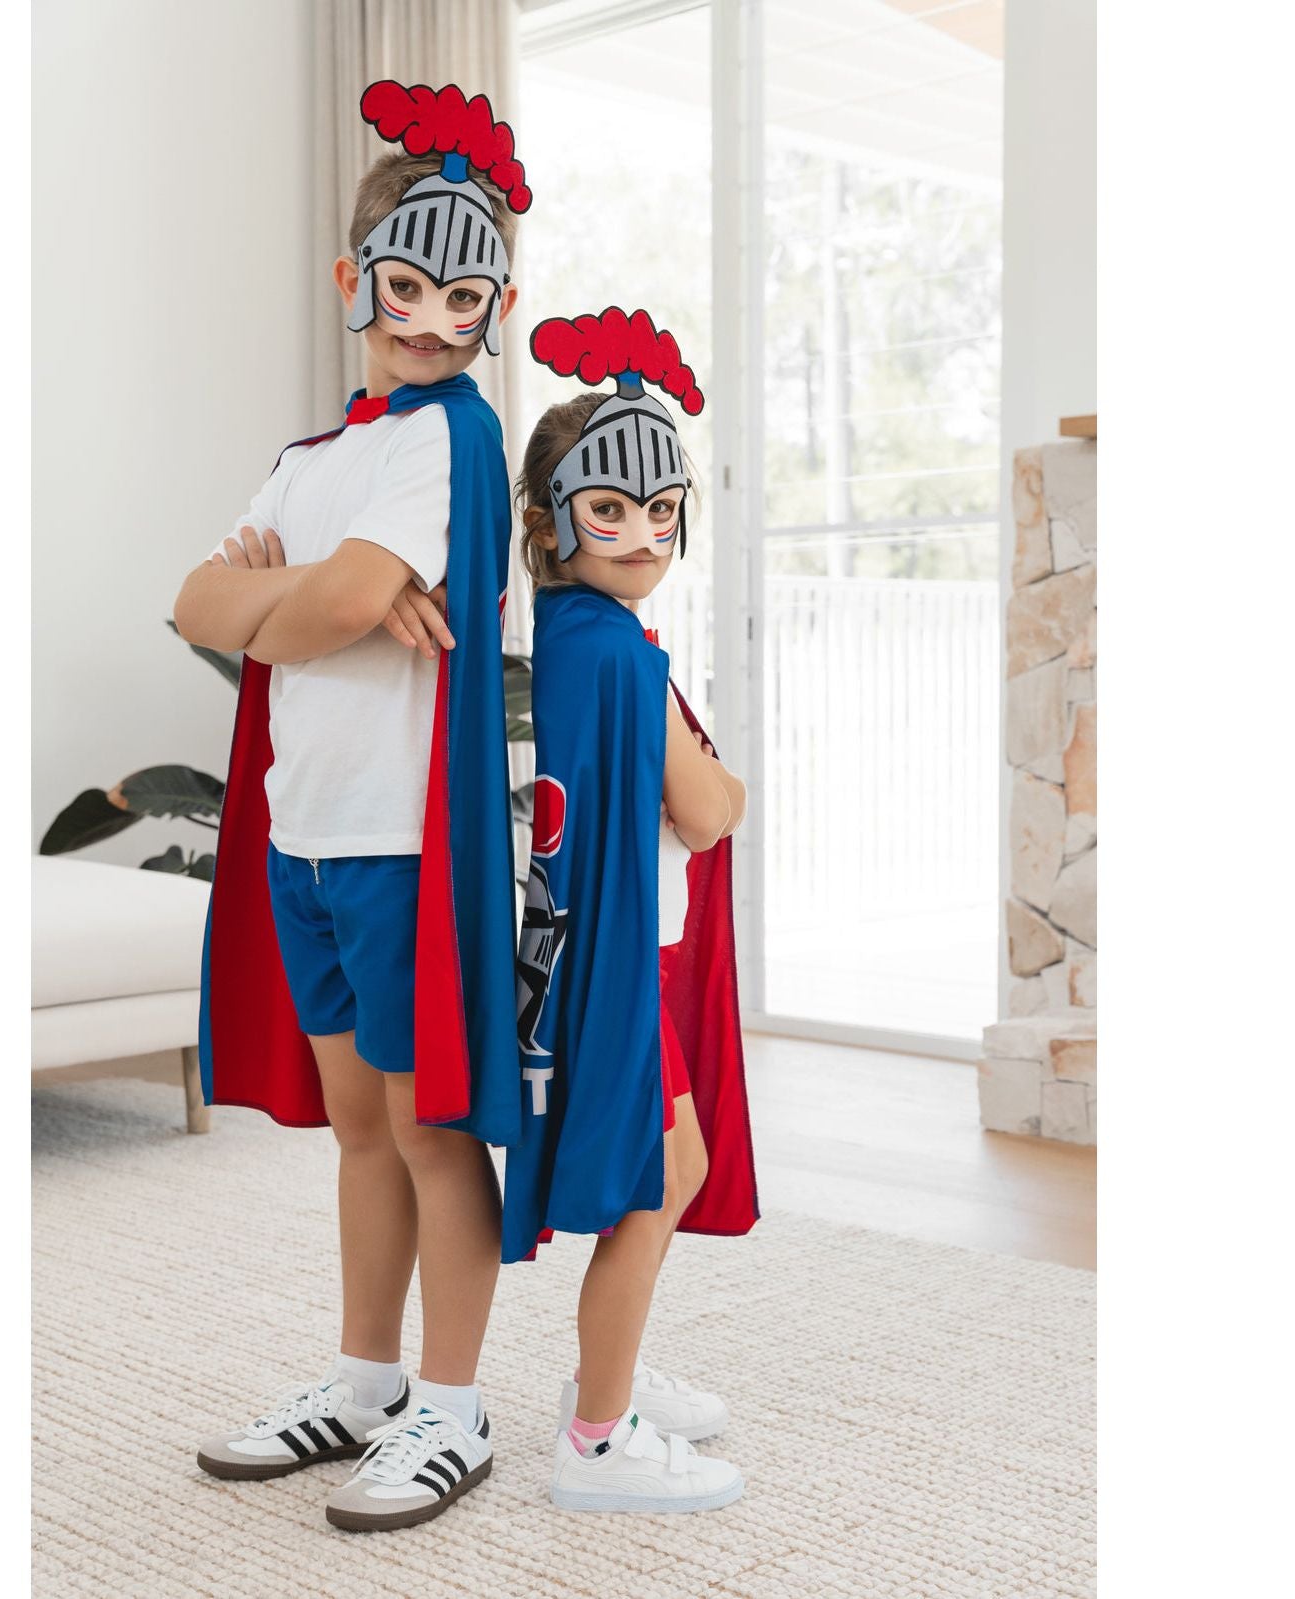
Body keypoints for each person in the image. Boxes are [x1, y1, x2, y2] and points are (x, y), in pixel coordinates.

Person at [172, 80, 529, 1533]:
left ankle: (454, 1403)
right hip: (304, 836)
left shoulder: (447, 437)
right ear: (353, 279)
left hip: (400, 841)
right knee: (359, 1127)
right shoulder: (311, 459)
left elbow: (296, 609)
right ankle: (367, 1378)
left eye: (465, 295)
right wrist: (329, 594)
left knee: (431, 1124)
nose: (432, 320)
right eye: (406, 287)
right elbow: (201, 606)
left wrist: (307, 599)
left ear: (494, 303)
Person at [504, 307, 760, 1513]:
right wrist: (728, 780)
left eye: (663, 509)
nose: (647, 534)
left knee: (667, 1162)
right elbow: (706, 814)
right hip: (615, 961)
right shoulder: (620, 656)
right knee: (661, 1174)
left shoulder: (566, 636)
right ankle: (597, 1439)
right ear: (551, 522)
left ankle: (606, 1375)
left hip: (588, 948)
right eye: (612, 509)